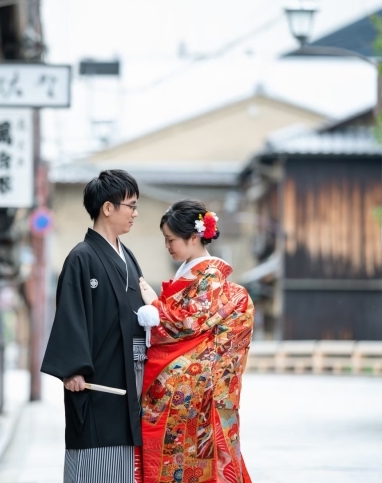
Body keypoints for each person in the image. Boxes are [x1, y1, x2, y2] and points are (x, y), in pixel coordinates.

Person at [42, 170, 154, 483]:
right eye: (131, 206)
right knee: (95, 459)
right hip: (97, 378)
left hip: (130, 376)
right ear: (107, 208)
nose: (135, 213)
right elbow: (71, 315)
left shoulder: (127, 256)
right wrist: (72, 370)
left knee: (124, 465)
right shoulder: (81, 257)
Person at [136, 200, 254, 483]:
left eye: (171, 239)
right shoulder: (194, 271)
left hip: (194, 385)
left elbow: (188, 322)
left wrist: (154, 305)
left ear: (193, 237)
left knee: (188, 454)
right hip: (189, 382)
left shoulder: (210, 276)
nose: (167, 245)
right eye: (165, 239)